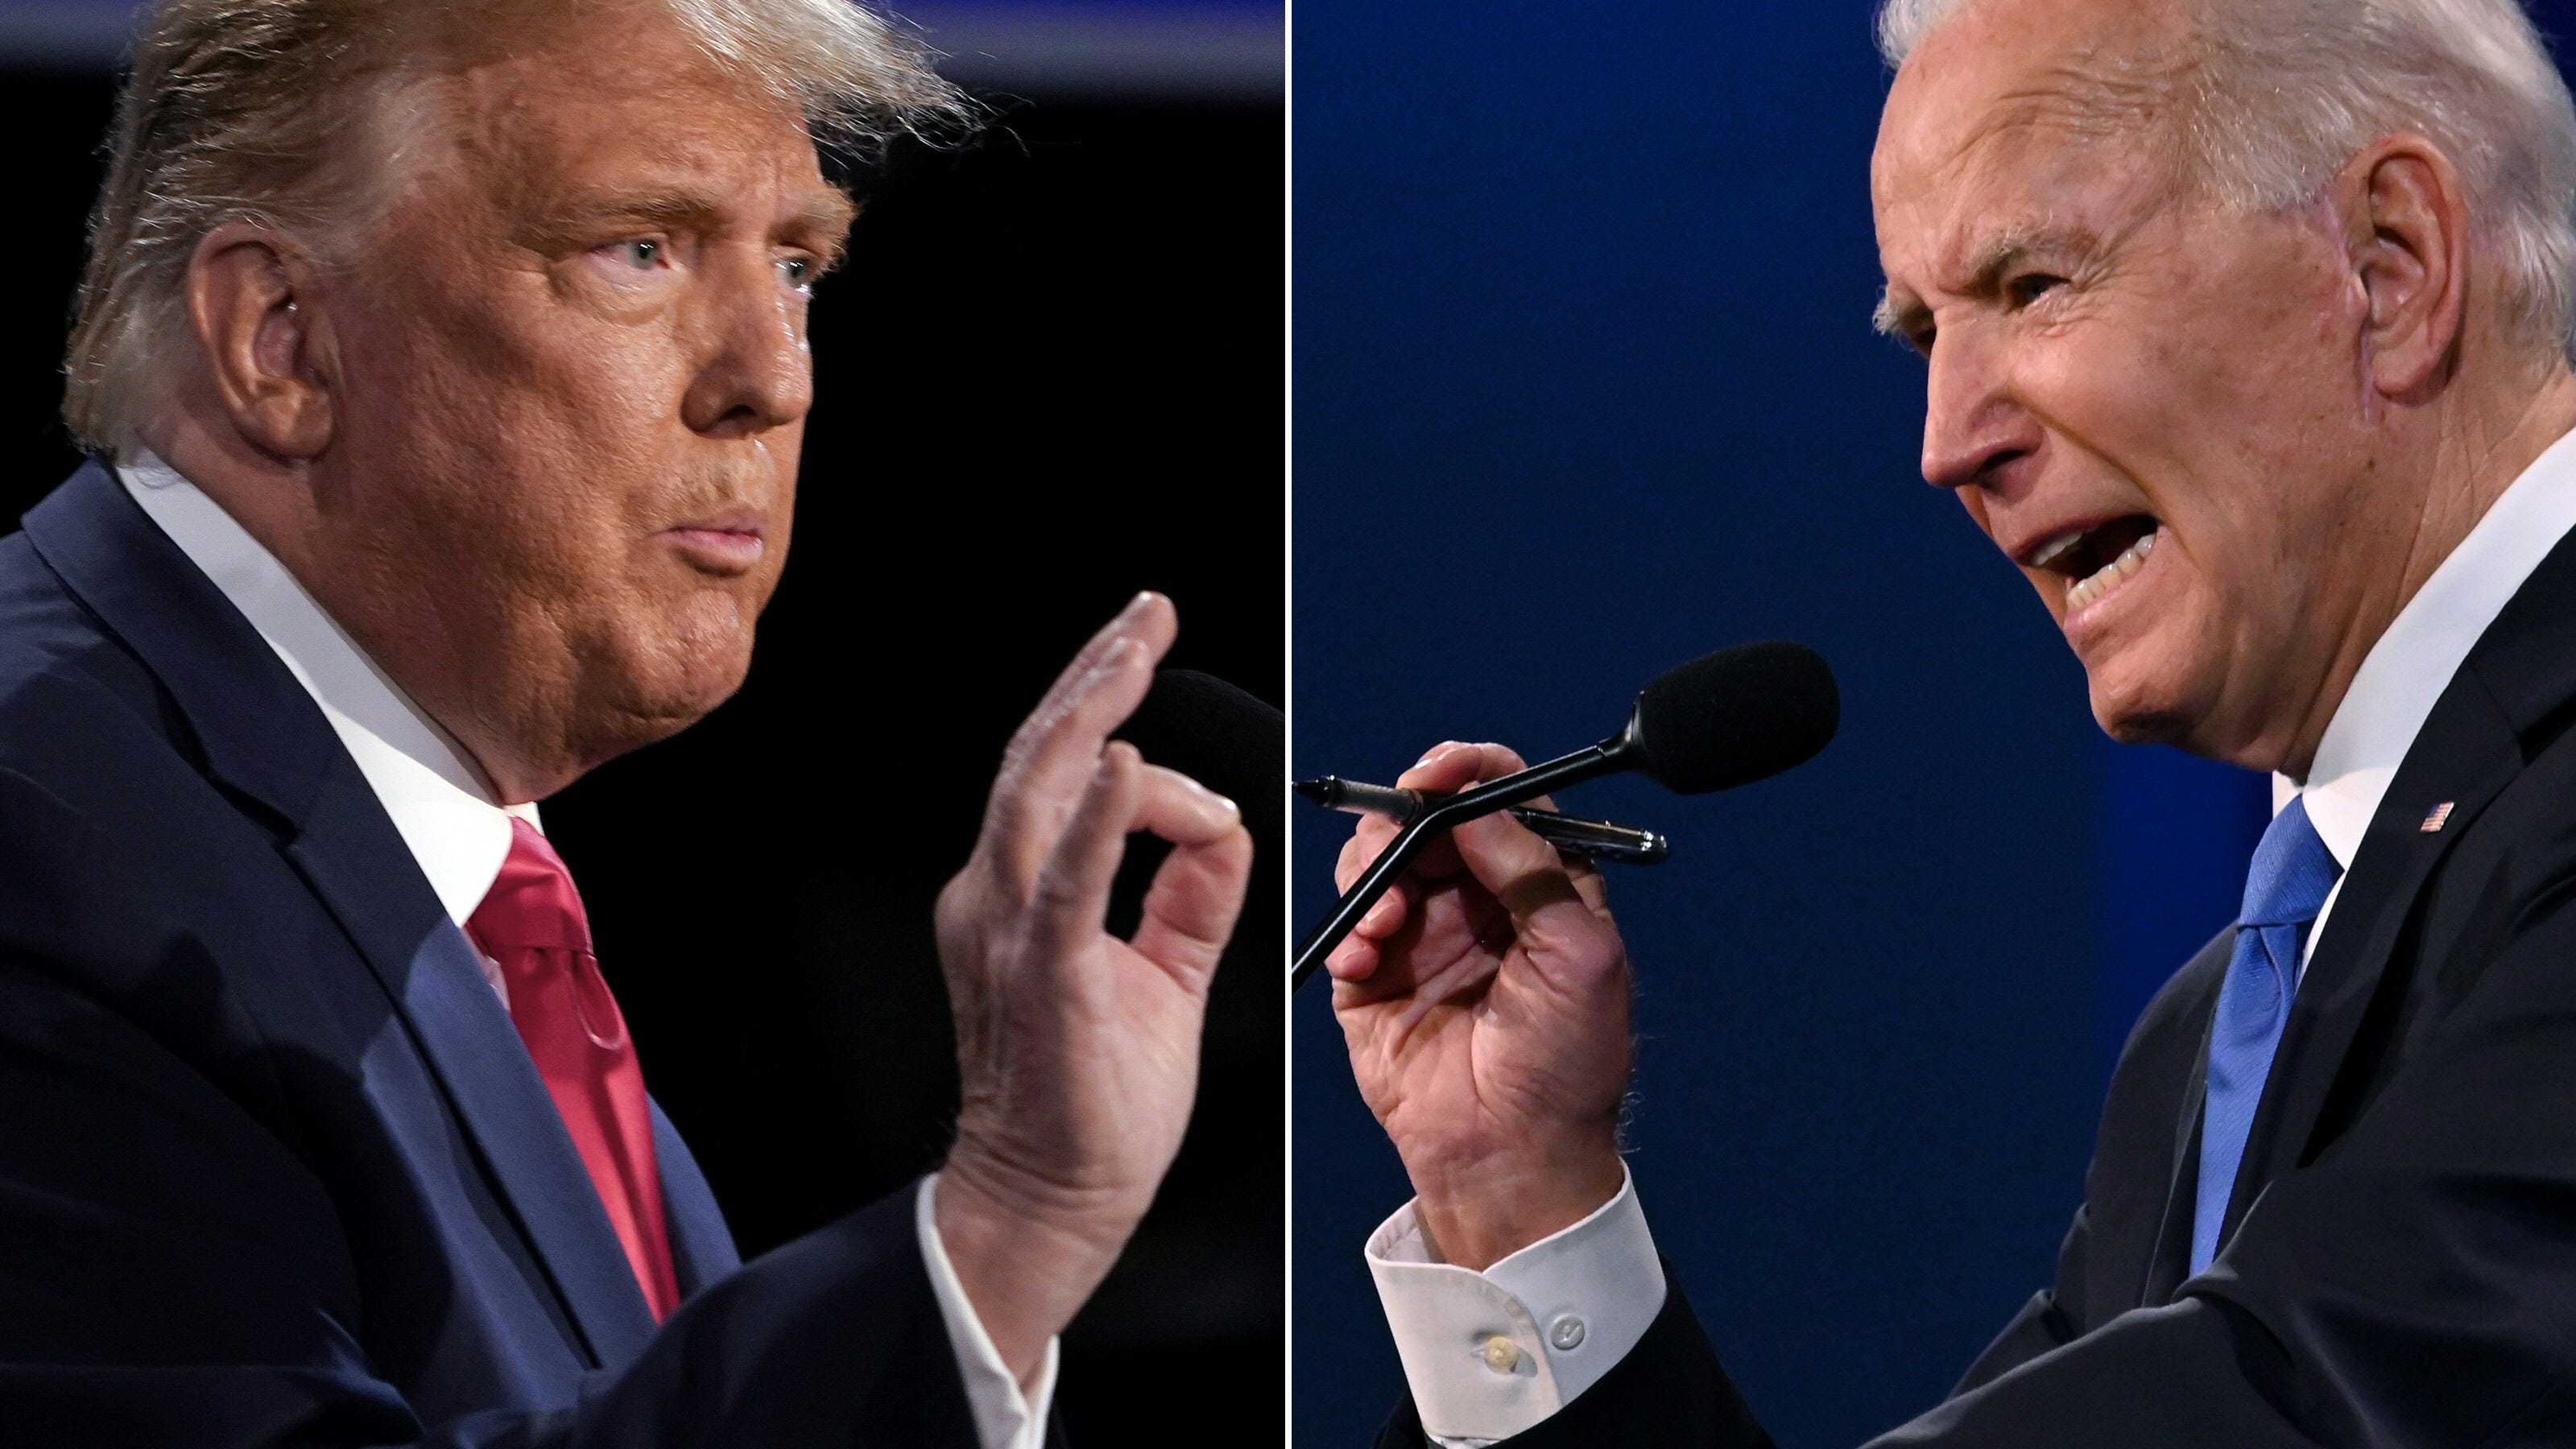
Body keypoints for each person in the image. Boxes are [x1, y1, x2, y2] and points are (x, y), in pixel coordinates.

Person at [0, 2, 1255, 1447]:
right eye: (638, 250)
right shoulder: (47, 840)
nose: (771, 378)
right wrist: (1006, 1226)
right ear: (282, 343)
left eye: (795, 266)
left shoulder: (415, 869)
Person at [1325, 0, 2576, 1443]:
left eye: (2036, 283)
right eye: (1924, 332)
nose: (1946, 441)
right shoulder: (2215, 1033)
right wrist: (1515, 1193)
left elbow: (2327, 1406)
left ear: (2391, 265)